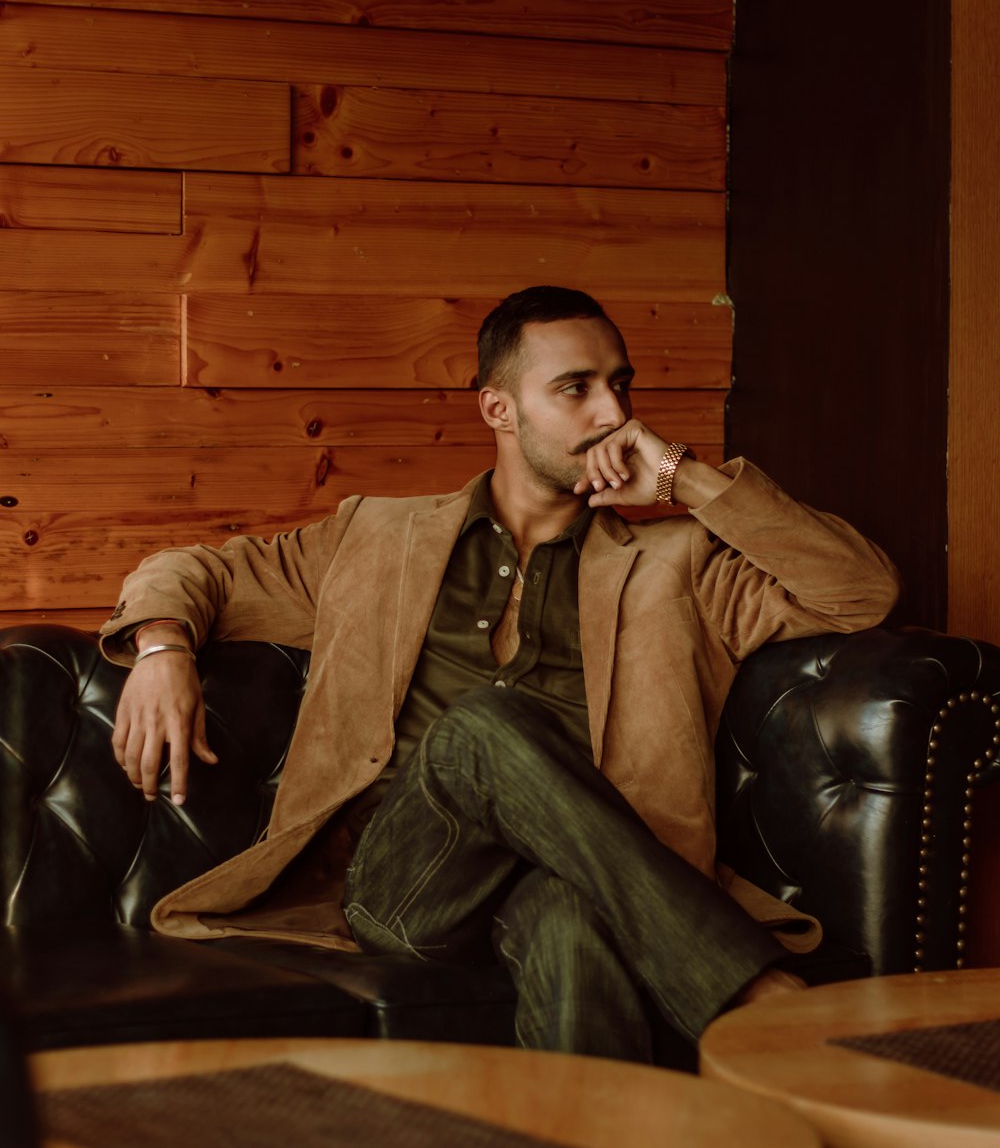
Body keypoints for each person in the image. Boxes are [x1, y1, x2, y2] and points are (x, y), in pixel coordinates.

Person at [101, 286, 899, 1063]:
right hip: (406, 886)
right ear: (499, 409)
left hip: (575, 881)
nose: (615, 414)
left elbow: (860, 591)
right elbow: (193, 569)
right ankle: (750, 992)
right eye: (574, 389)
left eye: (619, 384)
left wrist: (683, 477)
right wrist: (164, 649)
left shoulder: (675, 565)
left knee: (573, 928)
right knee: (486, 726)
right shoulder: (377, 537)